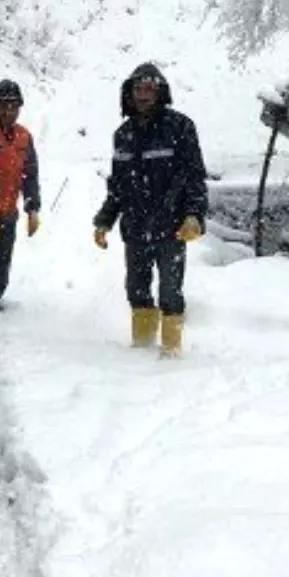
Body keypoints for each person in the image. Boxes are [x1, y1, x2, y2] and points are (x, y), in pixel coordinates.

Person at [92, 62, 208, 356]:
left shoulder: (181, 127)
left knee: (171, 292)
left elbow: (194, 176)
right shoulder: (123, 135)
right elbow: (117, 187)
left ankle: (171, 352)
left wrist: (193, 214)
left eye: (149, 88)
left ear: (160, 92)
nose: (143, 95)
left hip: (173, 228)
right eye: (137, 89)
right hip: (135, 228)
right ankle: (141, 351)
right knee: (137, 291)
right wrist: (105, 221)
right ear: (129, 93)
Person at [0, 78, 41, 311]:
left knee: (0, 267)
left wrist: (32, 208)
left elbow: (29, 175)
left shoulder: (24, 137)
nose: (9, 111)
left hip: (7, 213)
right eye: (3, 105)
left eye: (14, 106)